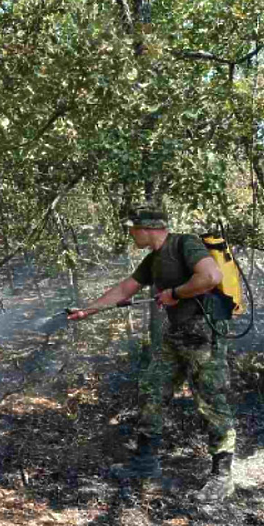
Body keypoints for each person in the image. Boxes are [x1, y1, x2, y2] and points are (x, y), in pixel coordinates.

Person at [68, 203, 237, 502]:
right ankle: (145, 463)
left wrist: (174, 294)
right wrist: (87, 311)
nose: (131, 234)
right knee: (152, 389)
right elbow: (125, 289)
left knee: (210, 399)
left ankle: (222, 475)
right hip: (176, 335)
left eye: (133, 228)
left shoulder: (185, 244)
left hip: (203, 334)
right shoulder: (153, 260)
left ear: (147, 227)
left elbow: (210, 277)